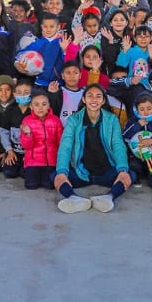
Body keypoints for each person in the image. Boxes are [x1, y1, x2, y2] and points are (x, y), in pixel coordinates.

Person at [53, 85, 135, 213]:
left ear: (103, 101)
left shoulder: (112, 119)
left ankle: (109, 197)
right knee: (56, 175)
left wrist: (122, 169)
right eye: (90, 96)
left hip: (106, 172)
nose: (94, 100)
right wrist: (62, 172)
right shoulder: (74, 120)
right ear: (84, 99)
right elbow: (66, 146)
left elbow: (118, 144)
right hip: (82, 173)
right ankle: (73, 198)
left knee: (130, 174)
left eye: (98, 96)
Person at [18, 91, 64, 190]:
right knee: (31, 185)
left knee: (49, 185)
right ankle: (25, 169)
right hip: (33, 161)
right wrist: (28, 134)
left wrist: (61, 161)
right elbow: (26, 146)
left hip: (51, 161)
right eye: (36, 104)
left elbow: (61, 142)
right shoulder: (27, 121)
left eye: (44, 104)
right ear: (31, 106)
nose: (40, 108)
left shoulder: (56, 120)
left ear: (49, 105)